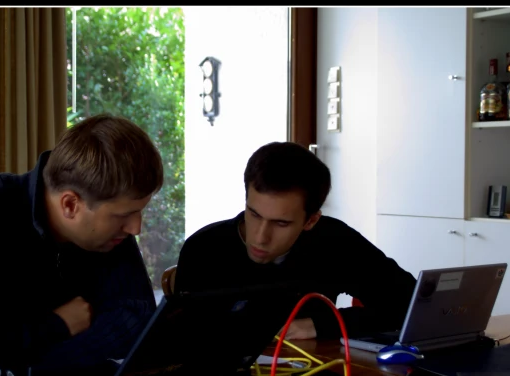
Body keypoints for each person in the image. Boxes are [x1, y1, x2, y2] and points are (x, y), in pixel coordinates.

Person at [0, 114, 164, 376]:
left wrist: (19, 356)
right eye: (125, 214)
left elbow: (135, 321)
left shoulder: (107, 232)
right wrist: (54, 326)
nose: (135, 228)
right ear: (70, 205)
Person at [174, 141, 416, 341]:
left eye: (281, 223)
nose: (259, 237)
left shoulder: (333, 241)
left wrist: (321, 324)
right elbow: (181, 338)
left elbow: (411, 306)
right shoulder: (204, 249)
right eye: (254, 214)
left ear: (310, 221)